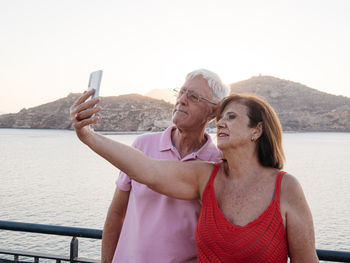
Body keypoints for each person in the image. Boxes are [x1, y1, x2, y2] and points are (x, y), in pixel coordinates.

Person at [71, 91, 319, 262]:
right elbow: (146, 169)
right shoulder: (206, 176)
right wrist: (88, 136)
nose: (221, 123)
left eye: (231, 117)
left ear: (257, 130)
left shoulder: (286, 187)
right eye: (220, 117)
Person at [70, 69, 229, 262]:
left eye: (193, 96)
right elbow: (116, 213)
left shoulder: (219, 162)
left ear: (213, 111)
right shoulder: (142, 145)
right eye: (181, 92)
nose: (181, 100)